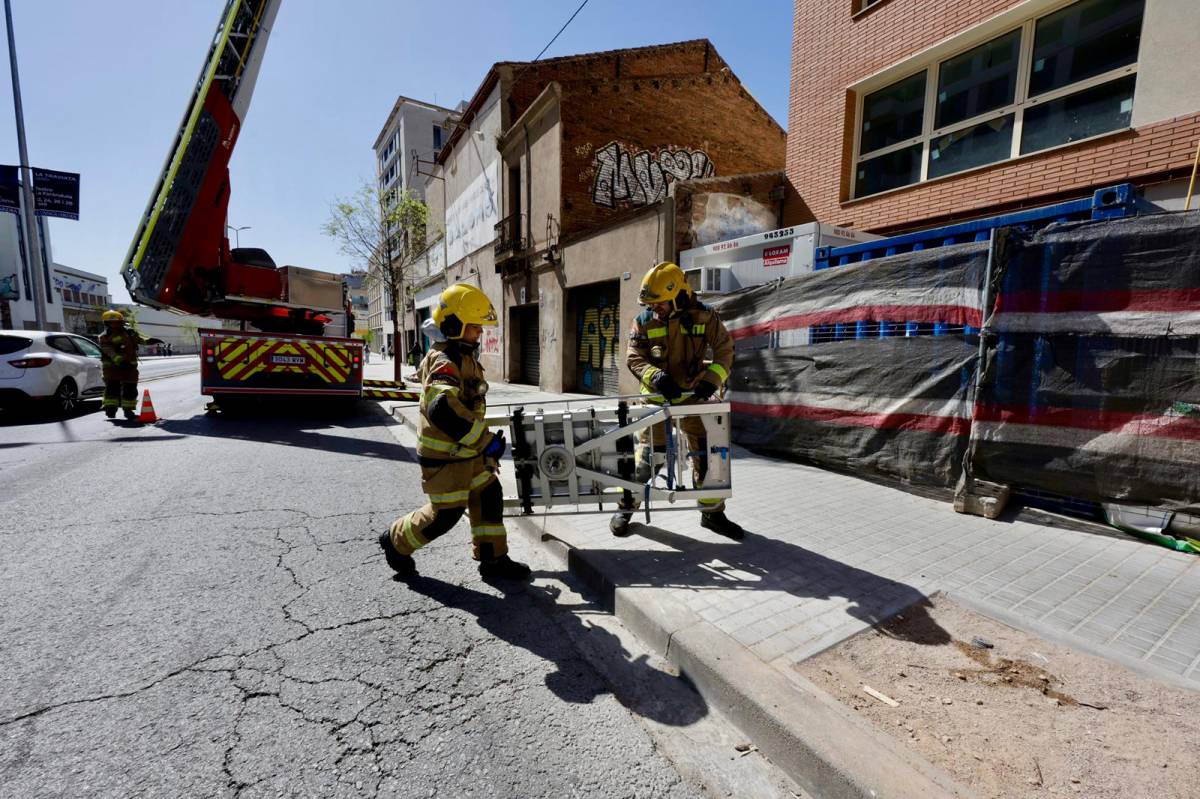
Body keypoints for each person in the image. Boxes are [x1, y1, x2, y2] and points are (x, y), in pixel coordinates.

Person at [379, 283, 531, 581]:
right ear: (454, 326)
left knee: (489, 495)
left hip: (467, 453)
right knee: (445, 516)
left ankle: (493, 560)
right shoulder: (445, 360)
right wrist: (486, 442)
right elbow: (442, 409)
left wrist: (483, 446)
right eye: (475, 327)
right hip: (445, 458)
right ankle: (395, 541)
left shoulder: (464, 354)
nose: (480, 332)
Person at [610, 261, 744, 540]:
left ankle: (712, 513)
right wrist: (656, 376)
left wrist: (711, 381)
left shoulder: (705, 316)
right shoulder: (644, 321)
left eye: (658, 303)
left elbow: (725, 349)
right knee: (648, 460)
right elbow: (634, 357)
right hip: (656, 399)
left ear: (678, 296)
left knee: (708, 458)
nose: (653, 309)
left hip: (694, 397)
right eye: (650, 304)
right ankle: (626, 507)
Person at [98, 310, 146, 420]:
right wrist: (120, 360)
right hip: (112, 368)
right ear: (107, 323)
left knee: (130, 388)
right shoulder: (104, 336)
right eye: (111, 322)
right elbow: (108, 350)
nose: (114, 324)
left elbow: (139, 340)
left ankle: (128, 410)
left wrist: (149, 341)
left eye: (116, 322)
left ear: (121, 322)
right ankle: (110, 409)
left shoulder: (129, 332)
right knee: (112, 388)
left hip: (130, 366)